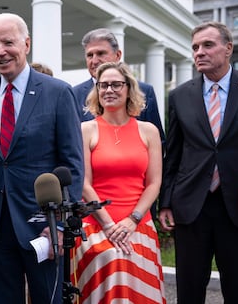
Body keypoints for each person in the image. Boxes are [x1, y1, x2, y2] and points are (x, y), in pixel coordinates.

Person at [0, 13, 83, 304]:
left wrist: (58, 223)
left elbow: (72, 163)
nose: (1, 51)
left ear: (27, 44)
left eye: (8, 42)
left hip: (42, 223)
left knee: (47, 298)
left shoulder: (57, 92)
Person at [159, 21, 238, 304]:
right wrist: (166, 202)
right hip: (191, 207)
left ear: (228, 49)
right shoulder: (179, 95)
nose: (199, 52)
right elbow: (172, 154)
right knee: (189, 291)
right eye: (195, 47)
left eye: (208, 45)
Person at [72, 61, 165, 303]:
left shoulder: (149, 131)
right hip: (96, 225)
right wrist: (109, 224)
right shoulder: (85, 130)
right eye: (103, 85)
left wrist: (132, 220)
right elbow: (83, 183)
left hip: (138, 223)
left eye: (116, 84)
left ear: (129, 89)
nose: (109, 90)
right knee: (109, 258)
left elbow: (154, 183)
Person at [74, 28, 165, 220]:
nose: (94, 60)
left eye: (100, 53)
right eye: (89, 55)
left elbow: (159, 149)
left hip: (137, 207)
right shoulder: (73, 95)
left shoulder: (144, 91)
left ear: (118, 55)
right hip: (91, 210)